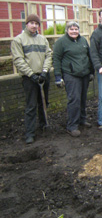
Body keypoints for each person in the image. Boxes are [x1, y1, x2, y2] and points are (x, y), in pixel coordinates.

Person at [11, 14, 52, 144]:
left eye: (36, 23)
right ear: (27, 24)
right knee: (31, 105)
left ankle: (43, 125)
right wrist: (31, 74)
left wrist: (45, 71)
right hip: (30, 78)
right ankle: (30, 133)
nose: (34, 26)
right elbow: (18, 60)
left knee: (44, 102)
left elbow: (49, 55)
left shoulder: (42, 39)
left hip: (43, 75)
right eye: (32, 23)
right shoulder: (19, 40)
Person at [53, 21, 94, 137]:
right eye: (71, 29)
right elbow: (56, 59)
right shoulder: (61, 42)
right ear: (67, 30)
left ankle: (82, 119)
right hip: (71, 75)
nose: (74, 31)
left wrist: (91, 72)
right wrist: (58, 76)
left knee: (82, 98)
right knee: (74, 100)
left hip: (84, 74)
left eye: (76, 29)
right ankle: (72, 126)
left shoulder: (83, 41)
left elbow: (89, 56)